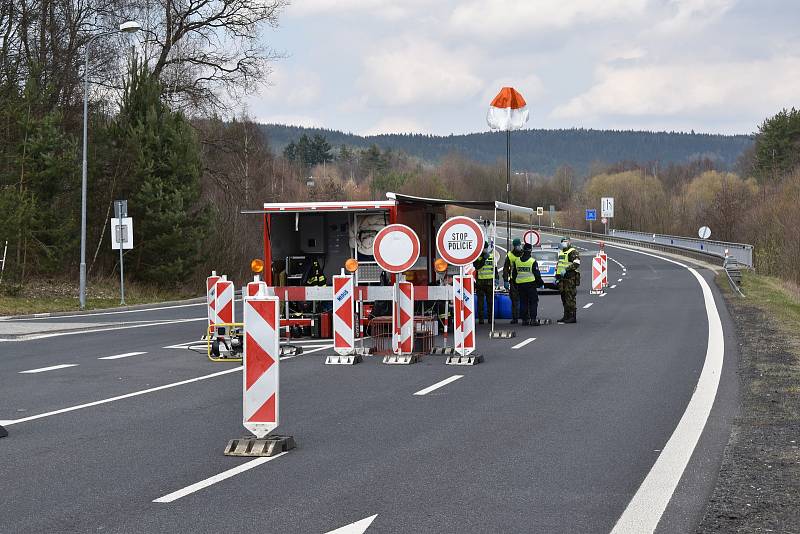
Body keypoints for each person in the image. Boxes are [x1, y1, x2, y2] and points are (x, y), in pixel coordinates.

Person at [511, 243, 544, 325]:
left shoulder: (517, 261)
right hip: (530, 285)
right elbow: (537, 274)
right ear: (530, 251)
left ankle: (524, 320)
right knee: (533, 302)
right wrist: (540, 283)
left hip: (520, 285)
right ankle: (533, 320)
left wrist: (515, 283)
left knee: (523, 302)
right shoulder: (532, 261)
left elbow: (514, 274)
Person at [556, 237, 581, 324]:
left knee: (570, 297)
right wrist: (557, 275)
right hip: (562, 279)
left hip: (570, 278)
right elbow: (559, 264)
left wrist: (566, 269)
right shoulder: (561, 252)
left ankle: (572, 316)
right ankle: (566, 315)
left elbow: (577, 263)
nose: (564, 243)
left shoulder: (573, 252)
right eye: (563, 242)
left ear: (569, 242)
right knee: (564, 298)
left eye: (566, 241)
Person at [473, 242, 497, 325]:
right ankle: (481, 319)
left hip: (490, 282)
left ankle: (491, 319)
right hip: (480, 283)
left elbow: (495, 268)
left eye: (486, 248)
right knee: (480, 303)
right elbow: (477, 267)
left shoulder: (491, 256)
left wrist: (496, 278)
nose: (485, 249)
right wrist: (483, 258)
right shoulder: (477, 257)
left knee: (490, 302)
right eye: (484, 248)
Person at [502, 238, 523, 324]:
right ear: (515, 246)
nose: (520, 246)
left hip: (524, 280)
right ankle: (515, 318)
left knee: (525, 300)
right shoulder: (509, 255)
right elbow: (506, 269)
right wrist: (505, 280)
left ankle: (526, 317)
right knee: (514, 300)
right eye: (518, 245)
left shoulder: (524, 253)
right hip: (513, 281)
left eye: (520, 245)